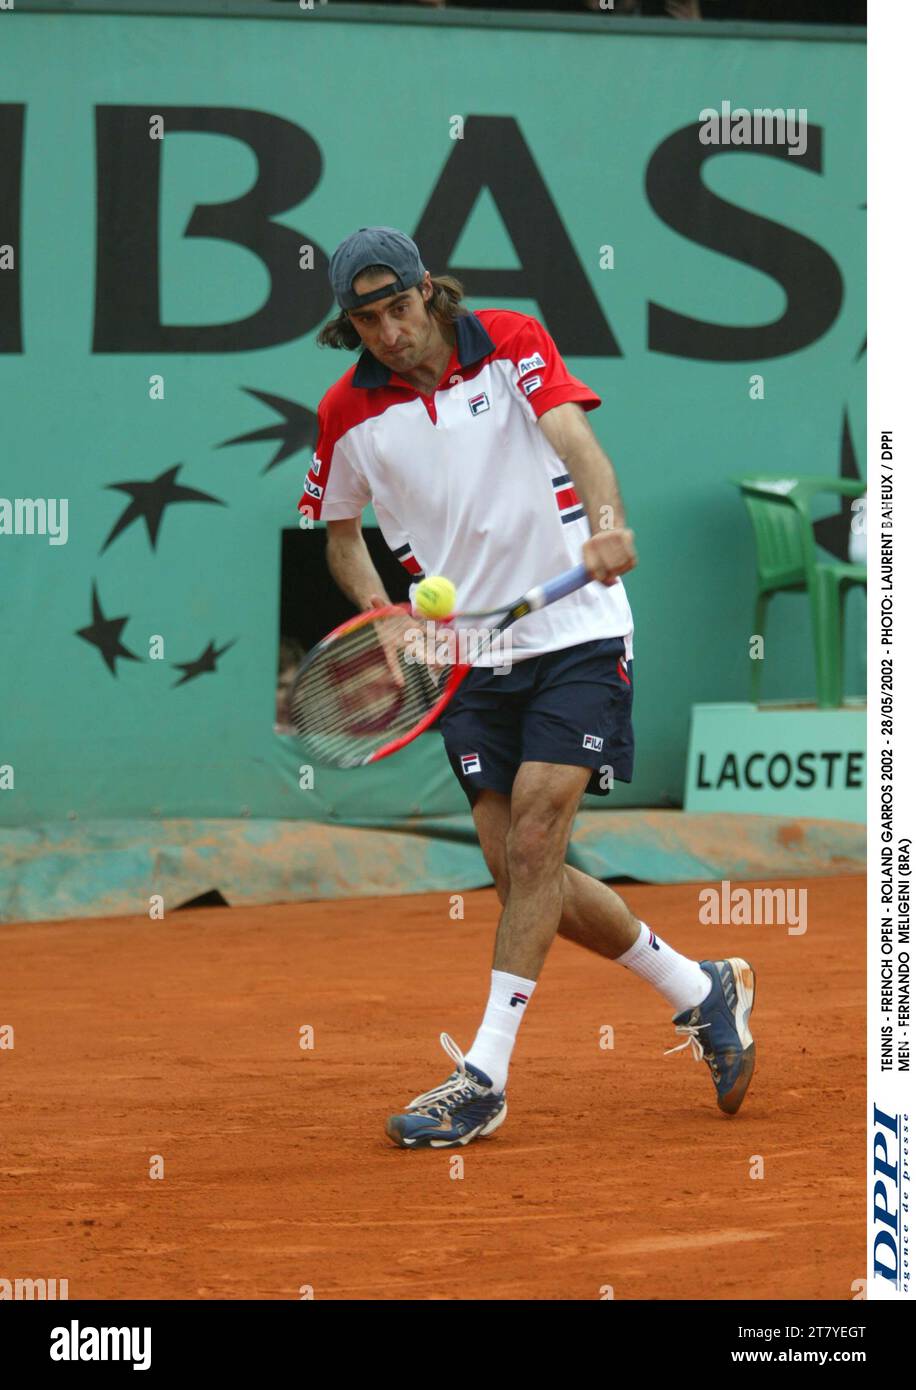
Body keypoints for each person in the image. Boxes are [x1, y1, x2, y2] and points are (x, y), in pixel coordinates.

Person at [298, 226, 756, 1148]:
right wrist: (387, 619)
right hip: (469, 654)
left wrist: (608, 523)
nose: (390, 331)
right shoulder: (346, 411)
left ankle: (483, 1076)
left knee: (542, 834)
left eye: (399, 307)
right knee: (519, 871)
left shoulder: (509, 339)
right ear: (350, 327)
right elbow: (341, 531)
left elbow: (572, 436)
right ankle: (703, 990)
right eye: (367, 319)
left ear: (429, 292)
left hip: (577, 633)